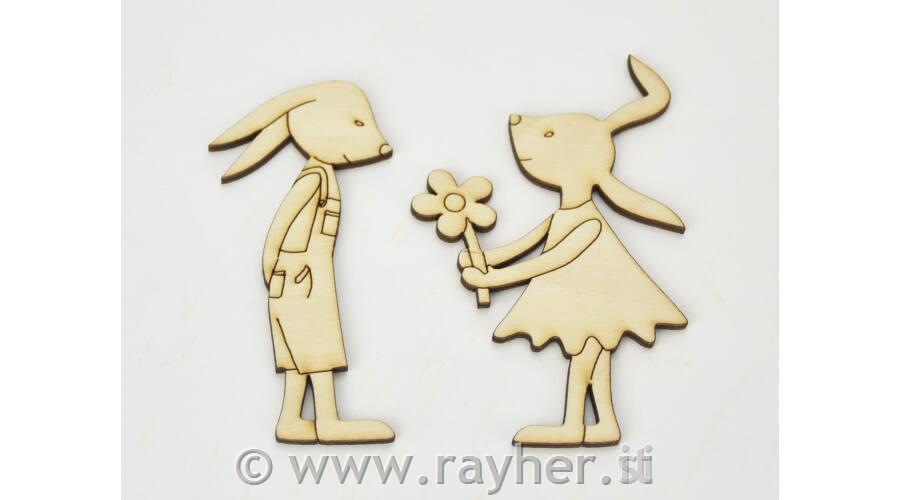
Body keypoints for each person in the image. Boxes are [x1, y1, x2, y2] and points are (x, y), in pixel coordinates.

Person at [461, 56, 687, 446]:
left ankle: (573, 424)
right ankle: (605, 424)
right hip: (584, 302)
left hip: (596, 301)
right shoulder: (564, 216)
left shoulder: (588, 223)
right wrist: (486, 258)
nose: (522, 126)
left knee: (585, 357)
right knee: (595, 359)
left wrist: (496, 278)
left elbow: (551, 260)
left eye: (549, 135)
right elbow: (525, 244)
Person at [210, 81, 395, 444]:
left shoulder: (322, 175)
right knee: (317, 345)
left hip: (302, 271)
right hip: (302, 274)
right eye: (357, 124)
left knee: (300, 350)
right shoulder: (314, 178)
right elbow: (283, 220)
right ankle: (328, 420)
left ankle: (290, 419)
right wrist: (272, 261)